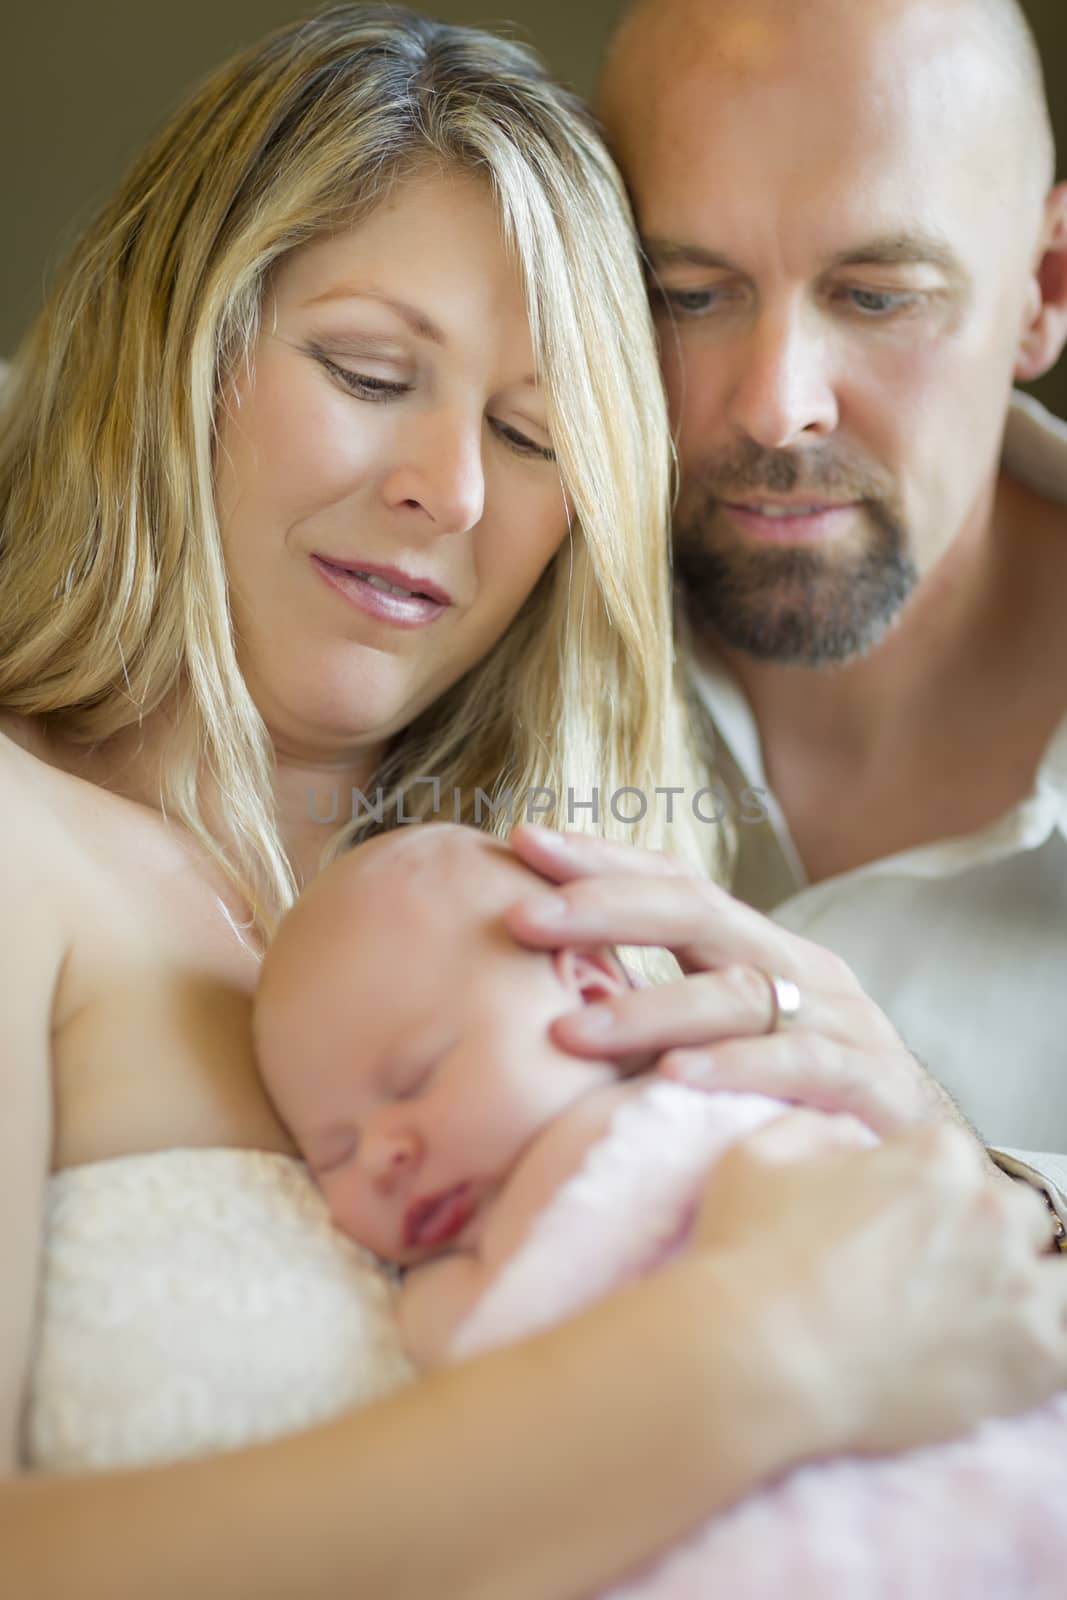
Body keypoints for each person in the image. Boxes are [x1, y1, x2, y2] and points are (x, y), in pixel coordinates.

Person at [2, 7, 1066, 1597]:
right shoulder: (29, 854)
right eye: (369, 372)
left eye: (533, 433)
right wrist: (759, 1358)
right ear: (177, 347)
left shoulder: (567, 908)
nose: (456, 488)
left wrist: (942, 1166)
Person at [254, 819, 1067, 1599]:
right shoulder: (452, 1279)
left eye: (416, 1077)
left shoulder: (710, 1105)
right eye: (333, 1151)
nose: (382, 1153)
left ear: (594, 987)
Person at [587, 0, 1067, 1221]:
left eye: (875, 296)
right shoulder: (465, 582)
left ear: (1041, 293)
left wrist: (985, 1192)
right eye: (689, 293)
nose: (774, 406)